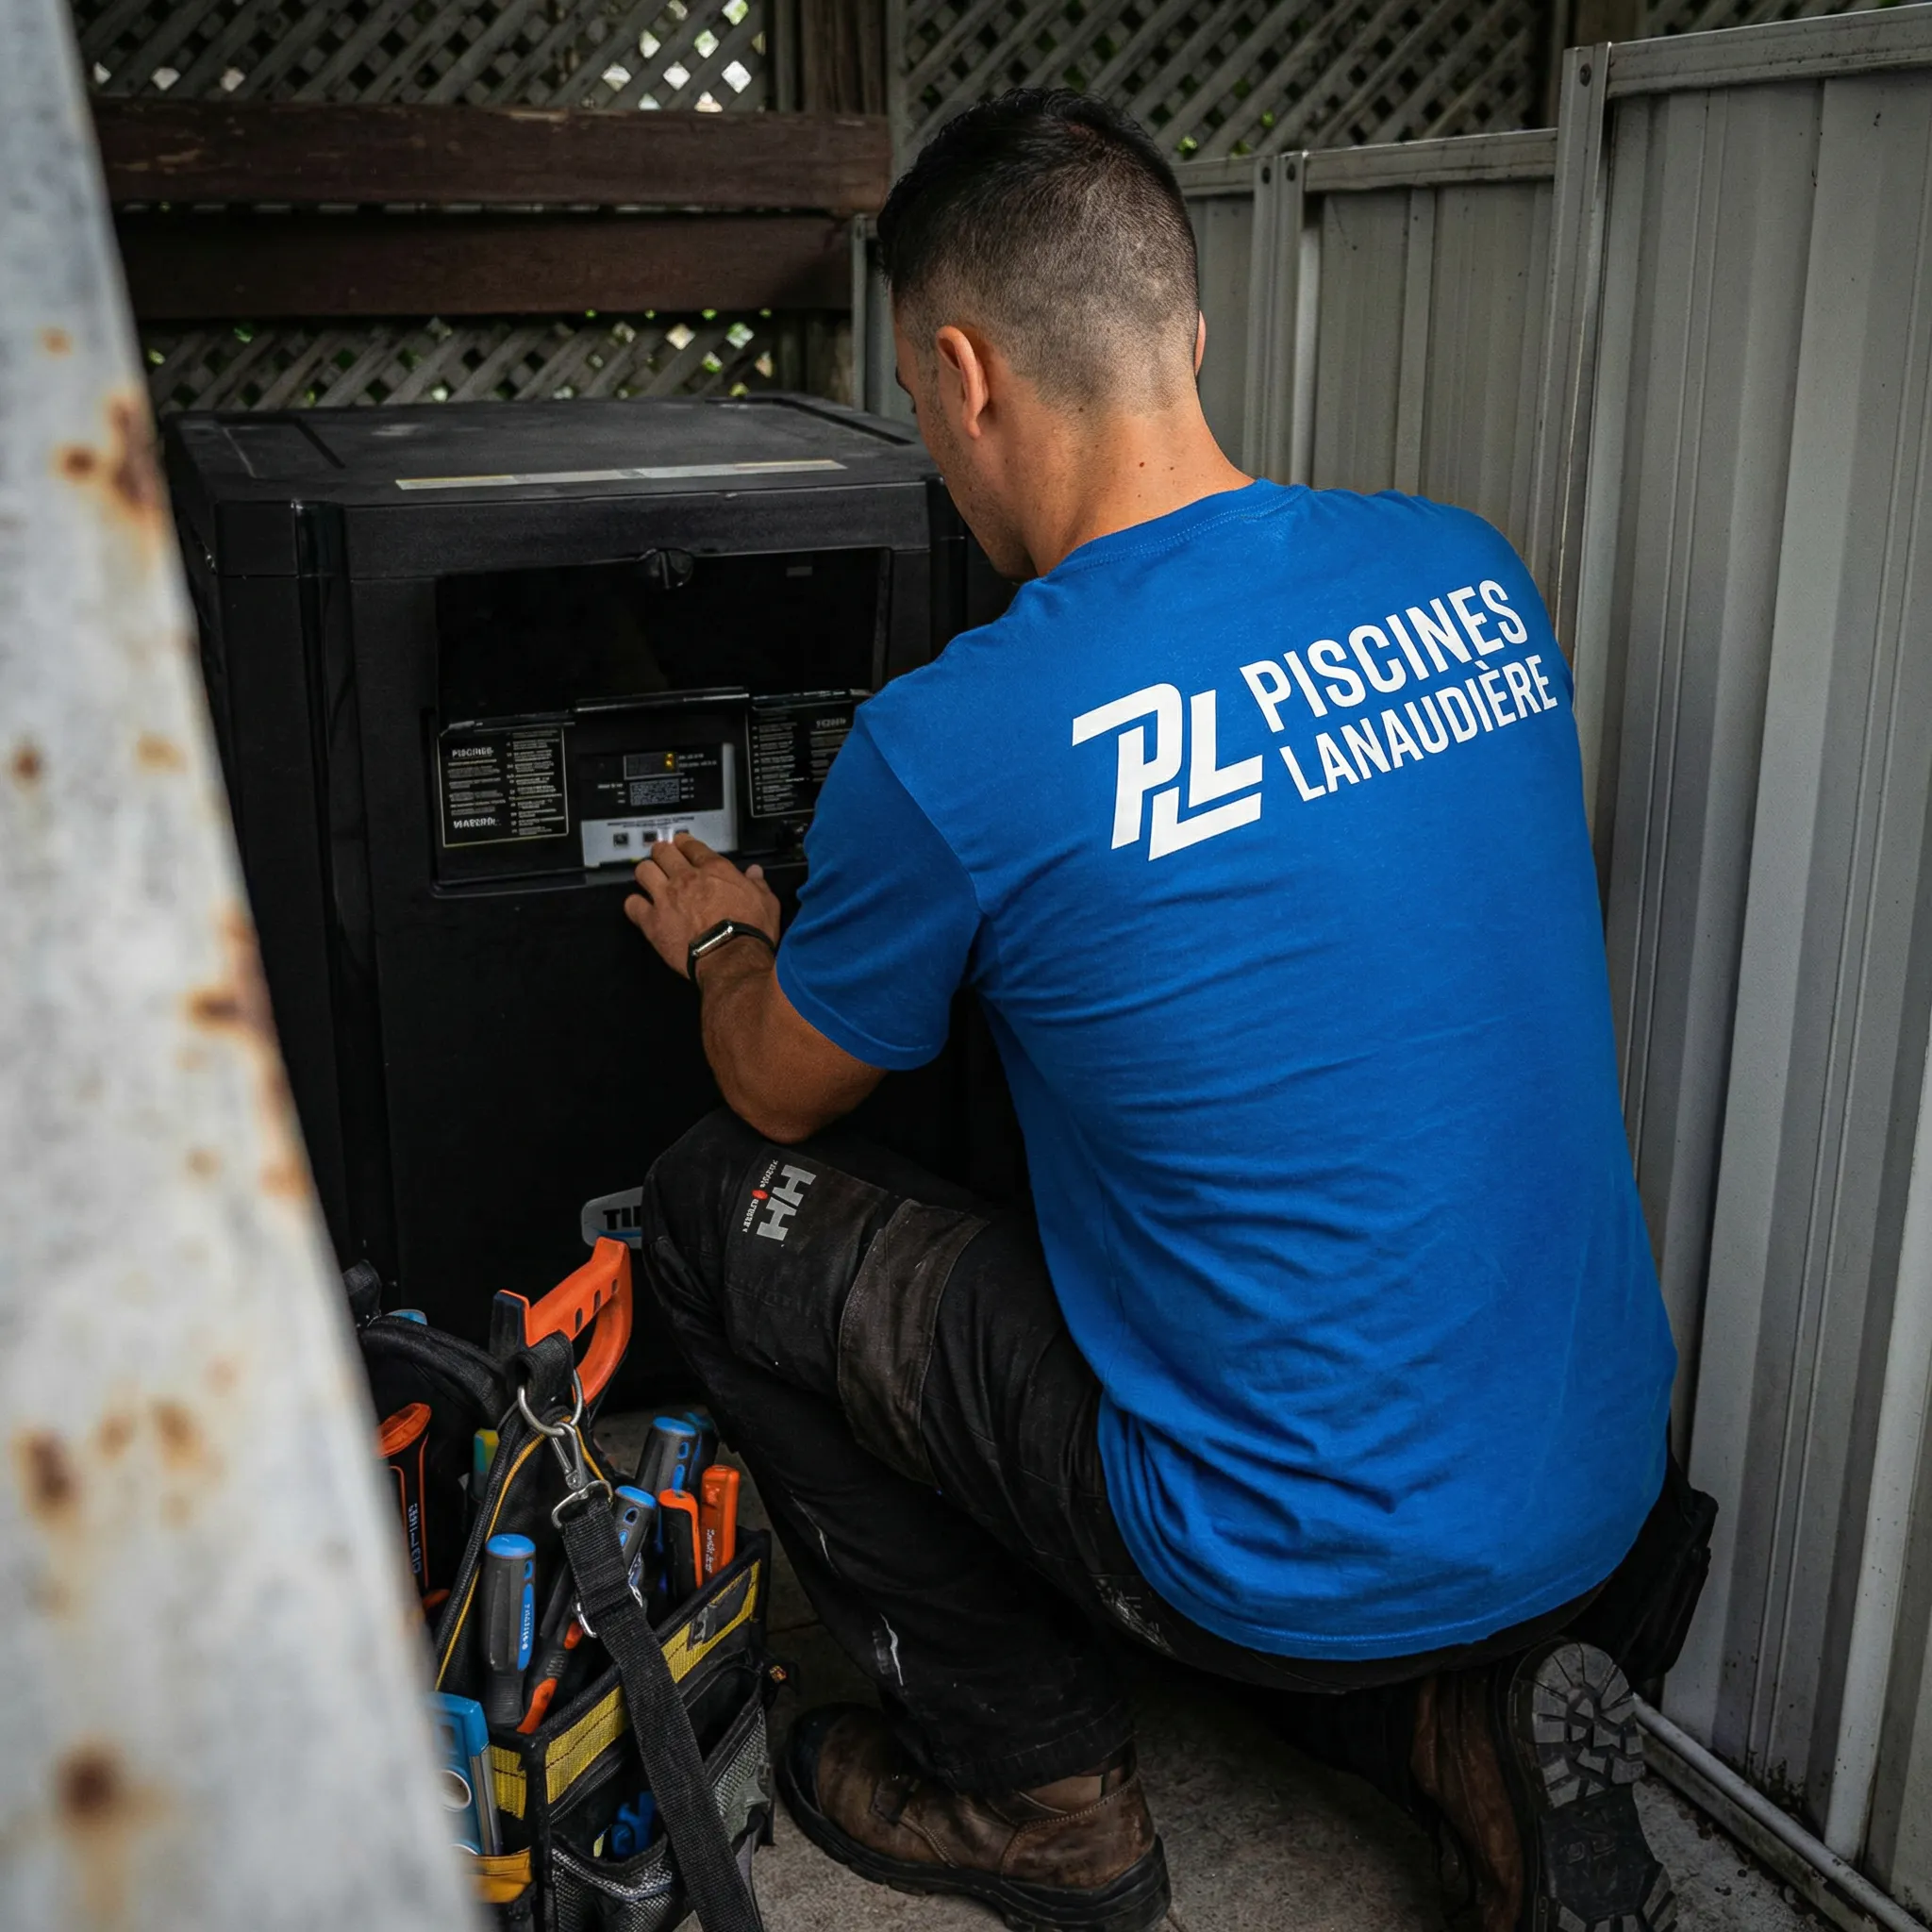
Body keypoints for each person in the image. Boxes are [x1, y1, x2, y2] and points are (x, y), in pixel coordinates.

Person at [622, 89, 1698, 1932]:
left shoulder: (959, 738)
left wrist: (727, 940)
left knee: (716, 1208)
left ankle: (1033, 1797)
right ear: (1189, 334)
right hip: (1600, 1492)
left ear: (963, 376)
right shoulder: (1471, 575)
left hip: (1266, 1555)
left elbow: (782, 1086)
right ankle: (1465, 1729)